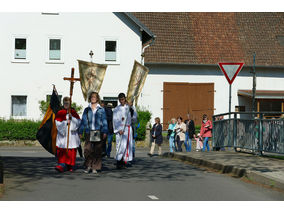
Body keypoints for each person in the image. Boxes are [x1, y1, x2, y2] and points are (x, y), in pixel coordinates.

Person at [79, 92, 108, 174]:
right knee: (87, 149)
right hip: (89, 131)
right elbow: (83, 121)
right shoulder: (87, 109)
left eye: (94, 97)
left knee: (97, 150)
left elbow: (104, 121)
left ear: (97, 98)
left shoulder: (101, 109)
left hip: (97, 131)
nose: (93, 98)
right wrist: (81, 131)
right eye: (91, 97)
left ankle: (95, 167)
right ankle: (88, 165)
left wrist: (105, 131)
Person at [54, 97, 81, 173]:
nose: (66, 104)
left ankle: (69, 165)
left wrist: (72, 118)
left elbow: (78, 122)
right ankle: (61, 165)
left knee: (71, 151)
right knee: (62, 150)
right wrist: (65, 122)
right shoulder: (60, 113)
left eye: (68, 103)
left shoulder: (73, 112)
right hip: (63, 136)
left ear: (70, 104)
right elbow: (57, 124)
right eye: (65, 103)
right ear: (63, 103)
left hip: (71, 136)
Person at [113, 93, 137, 169]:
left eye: (123, 99)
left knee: (128, 145)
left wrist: (132, 110)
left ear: (125, 98)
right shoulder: (116, 109)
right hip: (120, 129)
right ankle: (119, 161)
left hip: (128, 128)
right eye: (120, 99)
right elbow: (115, 120)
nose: (121, 101)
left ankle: (126, 160)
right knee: (120, 145)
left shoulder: (129, 107)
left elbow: (134, 119)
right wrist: (118, 129)